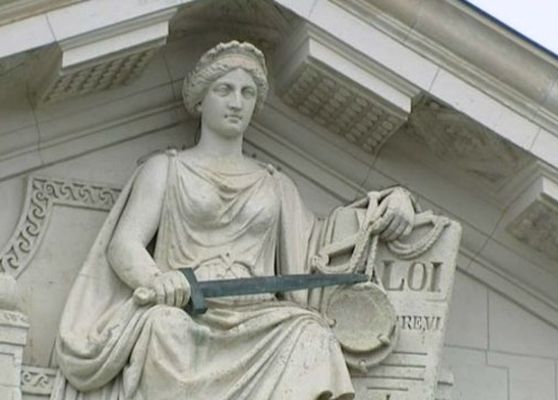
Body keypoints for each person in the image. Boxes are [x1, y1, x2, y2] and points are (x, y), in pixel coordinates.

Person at [51, 41, 415, 400]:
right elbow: (124, 244)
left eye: (247, 93)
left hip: (261, 317)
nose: (236, 102)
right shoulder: (167, 169)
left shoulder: (275, 184)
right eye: (224, 90)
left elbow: (322, 243)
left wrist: (391, 202)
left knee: (312, 333)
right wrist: (160, 281)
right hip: (187, 309)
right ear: (200, 100)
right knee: (163, 328)